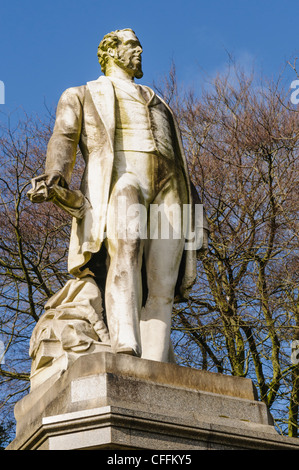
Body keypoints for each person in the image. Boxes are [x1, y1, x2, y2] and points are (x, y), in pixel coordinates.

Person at [29, 29, 208, 364]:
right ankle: (125, 345)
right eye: (131, 44)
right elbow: (64, 135)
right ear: (110, 52)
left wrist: (197, 217)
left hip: (171, 187)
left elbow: (181, 162)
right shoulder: (82, 93)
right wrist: (55, 174)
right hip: (122, 178)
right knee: (125, 255)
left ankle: (155, 366)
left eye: (139, 45)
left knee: (163, 282)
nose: (139, 50)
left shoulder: (158, 100)